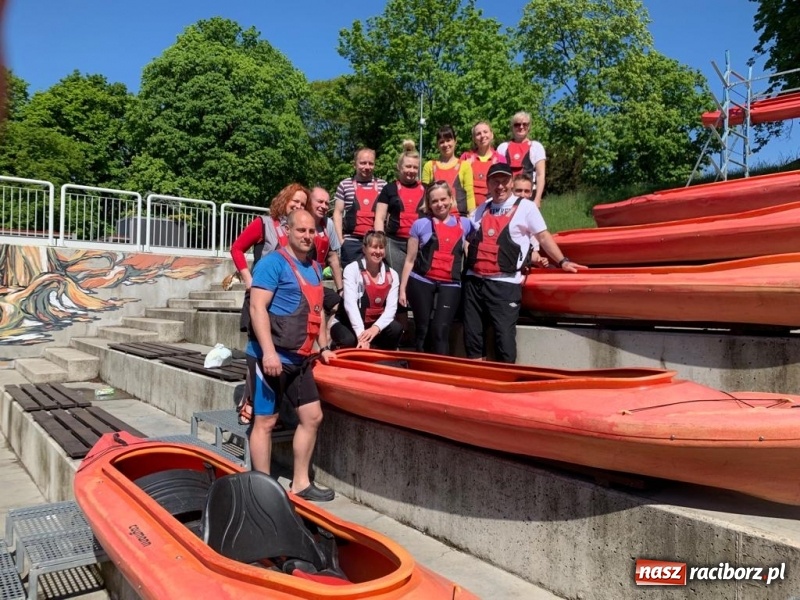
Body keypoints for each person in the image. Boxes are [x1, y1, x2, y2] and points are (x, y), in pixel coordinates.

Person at [247, 209, 335, 502]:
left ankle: (300, 483)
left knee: (312, 417)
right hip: (271, 359)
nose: (308, 236)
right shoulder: (272, 264)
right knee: (265, 422)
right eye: (301, 231)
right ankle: (262, 489)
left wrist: (323, 348)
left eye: (312, 231)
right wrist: (269, 353)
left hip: (300, 360)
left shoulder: (314, 267)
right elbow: (257, 308)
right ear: (288, 231)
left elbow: (317, 312)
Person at [464, 163, 581, 363]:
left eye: (504, 181)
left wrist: (562, 261)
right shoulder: (481, 209)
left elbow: (543, 237)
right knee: (473, 336)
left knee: (504, 337)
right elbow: (467, 238)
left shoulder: (526, 207)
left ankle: (506, 382)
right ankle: (478, 381)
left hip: (505, 284)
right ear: (488, 184)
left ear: (511, 182)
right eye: (495, 181)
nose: (500, 186)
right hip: (474, 283)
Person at [399, 181, 472, 355]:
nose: (440, 204)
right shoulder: (420, 225)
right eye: (434, 201)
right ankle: (419, 369)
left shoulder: (466, 224)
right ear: (429, 204)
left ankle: (441, 372)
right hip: (421, 282)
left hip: (450, 284)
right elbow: (410, 260)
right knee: (423, 330)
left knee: (440, 330)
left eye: (443, 199)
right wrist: (402, 289)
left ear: (451, 199)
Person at [330, 231, 403, 350]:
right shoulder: (351, 269)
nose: (378, 251)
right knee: (348, 339)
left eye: (381, 247)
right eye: (374, 247)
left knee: (396, 329)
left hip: (374, 327)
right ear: (364, 249)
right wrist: (361, 335)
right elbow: (350, 305)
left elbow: (391, 309)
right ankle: (338, 347)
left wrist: (376, 328)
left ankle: (383, 358)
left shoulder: (393, 275)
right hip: (348, 323)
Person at [373, 140, 426, 275]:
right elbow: (379, 217)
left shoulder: (426, 189)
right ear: (399, 167)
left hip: (419, 244)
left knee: (416, 281)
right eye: (408, 166)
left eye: (415, 167)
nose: (411, 171)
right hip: (395, 243)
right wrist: (380, 242)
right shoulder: (389, 189)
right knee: (397, 280)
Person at [333, 148, 387, 266]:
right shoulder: (344, 184)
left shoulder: (383, 186)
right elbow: (337, 213)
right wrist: (341, 241)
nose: (367, 167)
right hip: (350, 242)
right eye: (363, 163)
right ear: (355, 165)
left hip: (374, 243)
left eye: (370, 163)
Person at [306, 186, 344, 314]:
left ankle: (328, 332)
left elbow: (333, 258)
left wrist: (340, 289)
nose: (324, 206)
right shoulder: (299, 222)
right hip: (297, 284)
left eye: (327, 203)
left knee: (343, 307)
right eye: (320, 202)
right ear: (309, 201)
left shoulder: (328, 224)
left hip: (317, 285)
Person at [421, 125, 475, 216]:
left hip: (458, 217)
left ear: (455, 141)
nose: (445, 145)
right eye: (441, 142)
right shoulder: (429, 166)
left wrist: (472, 215)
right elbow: (423, 196)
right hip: (435, 218)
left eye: (448, 140)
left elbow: (469, 194)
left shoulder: (464, 166)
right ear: (437, 145)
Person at [497, 111, 547, 207]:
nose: (521, 127)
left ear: (529, 127)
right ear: (512, 127)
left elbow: (540, 175)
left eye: (525, 124)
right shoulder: (503, 147)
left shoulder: (536, 147)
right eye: (517, 124)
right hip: (507, 194)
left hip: (528, 194)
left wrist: (537, 199)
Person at [459, 121, 507, 207]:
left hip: (493, 208)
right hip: (469, 209)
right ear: (474, 139)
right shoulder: (466, 157)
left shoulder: (500, 159)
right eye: (478, 134)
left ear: (492, 135)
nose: (482, 136)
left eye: (485, 132)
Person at [512, 173, 548, 268]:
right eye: (519, 191)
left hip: (528, 259)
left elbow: (535, 248)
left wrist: (540, 260)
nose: (523, 195)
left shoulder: (532, 211)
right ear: (512, 191)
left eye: (526, 191)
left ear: (531, 193)